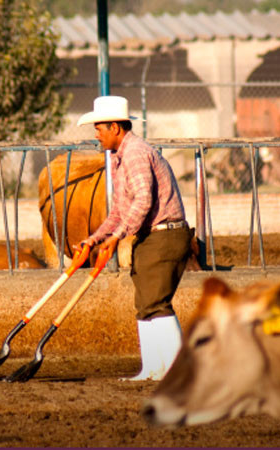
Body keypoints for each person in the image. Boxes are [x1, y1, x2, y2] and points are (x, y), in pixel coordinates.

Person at [75, 95, 192, 381]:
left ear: (116, 128)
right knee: (145, 305)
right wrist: (94, 239)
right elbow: (119, 211)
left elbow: (143, 199)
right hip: (151, 237)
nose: (96, 134)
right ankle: (153, 370)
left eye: (99, 127)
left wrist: (116, 237)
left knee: (156, 304)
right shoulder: (120, 158)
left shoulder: (136, 153)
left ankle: (177, 372)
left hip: (164, 236)